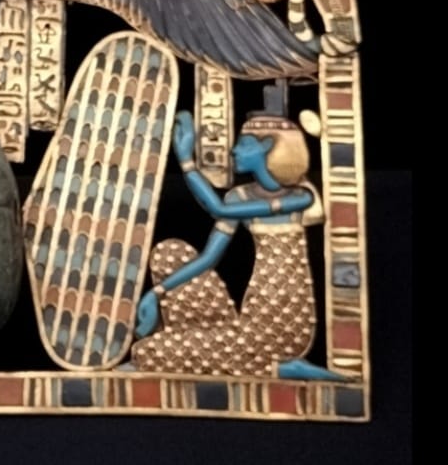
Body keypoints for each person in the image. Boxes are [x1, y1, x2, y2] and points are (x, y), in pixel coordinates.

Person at [131, 110, 342, 380]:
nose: (234, 150)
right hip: (248, 321)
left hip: (283, 318)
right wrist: (157, 292)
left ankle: (279, 366)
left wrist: (186, 161)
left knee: (148, 352)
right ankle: (202, 345)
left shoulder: (301, 196)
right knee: (169, 254)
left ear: (267, 145)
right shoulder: (238, 196)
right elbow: (208, 258)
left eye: (244, 144)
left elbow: (217, 208)